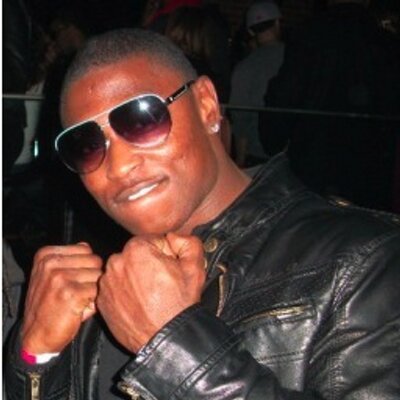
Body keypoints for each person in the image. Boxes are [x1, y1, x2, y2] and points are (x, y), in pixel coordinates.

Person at [5, 28, 400, 400]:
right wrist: (35, 357)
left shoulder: (365, 262)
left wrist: (174, 346)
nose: (119, 166)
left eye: (141, 119)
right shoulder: (101, 290)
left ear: (207, 105)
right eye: (86, 145)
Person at [259, 0, 400, 211]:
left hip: (316, 167)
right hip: (370, 173)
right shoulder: (386, 43)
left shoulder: (309, 35)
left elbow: (286, 95)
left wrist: (273, 141)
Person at [229, 1, 284, 167]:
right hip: (291, 155)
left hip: (256, 155)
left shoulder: (245, 67)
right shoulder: (297, 59)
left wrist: (240, 159)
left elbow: (240, 117)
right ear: (277, 23)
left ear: (251, 31)